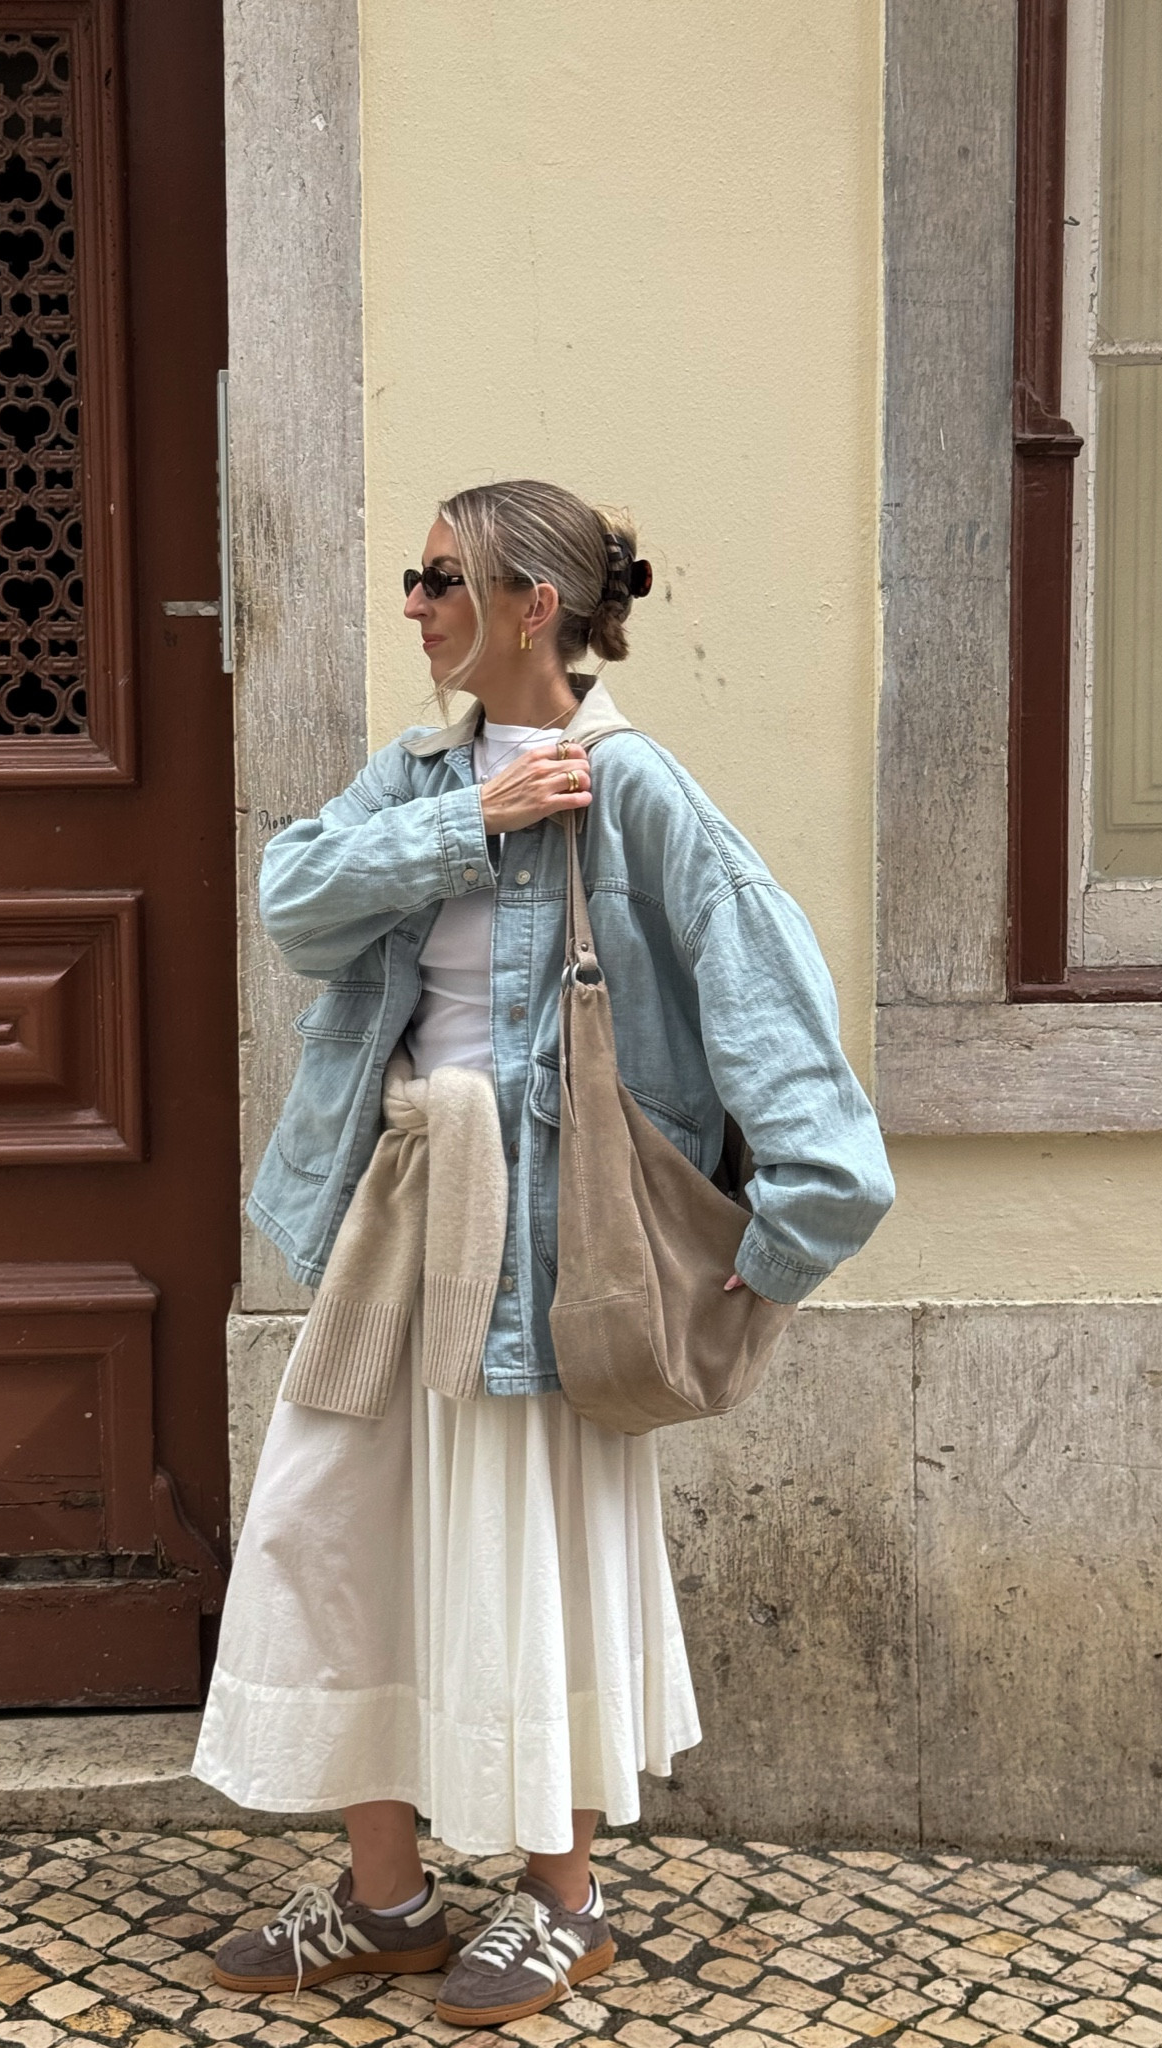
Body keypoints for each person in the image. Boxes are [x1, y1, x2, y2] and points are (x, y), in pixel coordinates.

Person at [190, 479, 895, 2025]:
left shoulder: (643, 795)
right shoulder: (427, 767)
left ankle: (559, 1906)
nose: (414, 605)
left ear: (530, 606)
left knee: (522, 1562)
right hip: (395, 1227)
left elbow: (776, 1019)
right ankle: (386, 1900)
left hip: (543, 1254)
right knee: (336, 1534)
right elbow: (293, 902)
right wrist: (468, 822)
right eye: (411, 577)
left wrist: (780, 1244)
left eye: (440, 579)